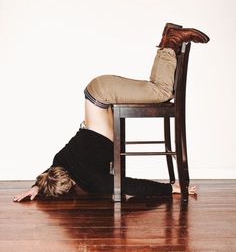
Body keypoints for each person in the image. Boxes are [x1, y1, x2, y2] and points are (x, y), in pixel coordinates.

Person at [13, 23, 209, 202]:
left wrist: (170, 189)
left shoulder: (92, 182)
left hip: (102, 94)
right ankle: (168, 39)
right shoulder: (61, 161)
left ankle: (172, 40)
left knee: (162, 92)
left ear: (69, 186)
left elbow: (130, 185)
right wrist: (36, 187)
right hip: (97, 93)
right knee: (159, 91)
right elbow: (48, 173)